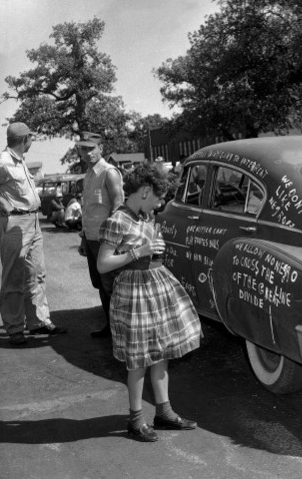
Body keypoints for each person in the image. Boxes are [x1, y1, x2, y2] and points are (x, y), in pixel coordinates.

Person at [97, 163, 201, 442]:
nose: (160, 204)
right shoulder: (118, 220)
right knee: (139, 360)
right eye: (158, 198)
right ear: (145, 191)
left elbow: (150, 246)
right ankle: (136, 420)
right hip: (134, 293)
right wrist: (138, 251)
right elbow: (103, 263)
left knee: (161, 352)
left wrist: (155, 249)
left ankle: (164, 412)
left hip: (156, 288)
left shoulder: (145, 216)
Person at [0, 122, 67, 345]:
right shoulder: (3, 163)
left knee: (36, 274)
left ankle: (38, 321)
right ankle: (15, 328)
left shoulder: (19, 162)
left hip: (33, 220)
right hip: (14, 222)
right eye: (31, 138)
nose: (32, 142)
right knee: (13, 277)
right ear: (25, 139)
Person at [77, 132, 124, 337]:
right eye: (83, 149)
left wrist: (110, 239)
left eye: (91, 148)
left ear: (101, 149)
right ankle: (110, 327)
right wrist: (83, 238)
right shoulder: (88, 175)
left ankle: (122, 331)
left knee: (112, 286)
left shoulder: (109, 172)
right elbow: (88, 209)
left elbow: (118, 204)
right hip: (91, 238)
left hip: (105, 240)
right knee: (100, 285)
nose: (87, 153)